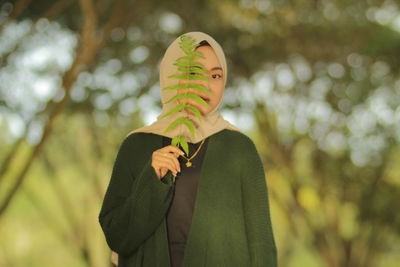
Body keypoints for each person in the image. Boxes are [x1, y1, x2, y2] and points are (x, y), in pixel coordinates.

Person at [98, 31, 278, 267]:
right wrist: (152, 180)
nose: (206, 84)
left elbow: (261, 245)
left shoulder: (239, 148)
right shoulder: (137, 145)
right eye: (194, 73)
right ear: (173, 76)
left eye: (215, 75)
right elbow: (118, 236)